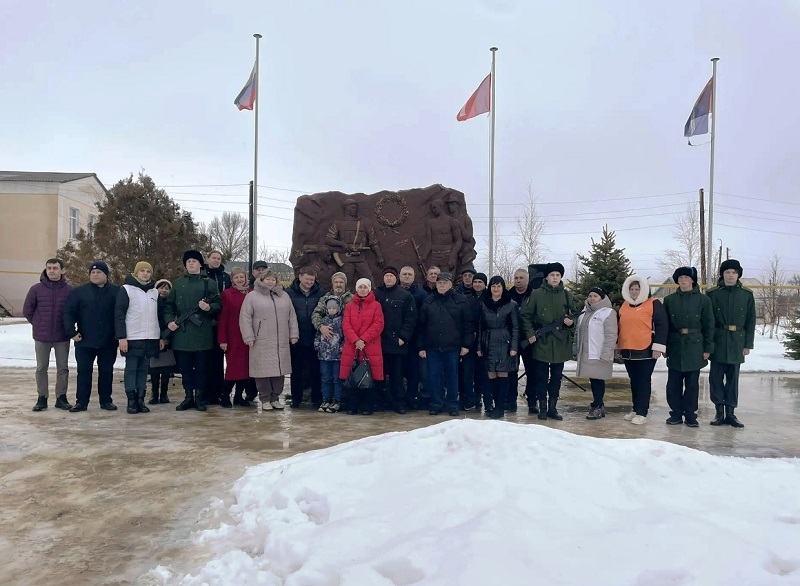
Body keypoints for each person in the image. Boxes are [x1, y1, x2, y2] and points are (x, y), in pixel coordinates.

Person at [164, 250, 221, 412]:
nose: (191, 263)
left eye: (194, 261)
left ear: (200, 264)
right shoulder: (178, 283)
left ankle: (199, 397)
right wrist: (169, 322)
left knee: (202, 368)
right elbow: (169, 306)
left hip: (202, 333)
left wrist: (208, 307)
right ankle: (188, 397)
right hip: (182, 333)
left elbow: (218, 304)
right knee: (185, 368)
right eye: (188, 261)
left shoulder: (208, 283)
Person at [520, 262, 576, 421]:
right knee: (541, 377)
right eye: (552, 275)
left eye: (558, 275)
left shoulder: (567, 295)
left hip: (560, 344)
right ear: (547, 277)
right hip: (542, 343)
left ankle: (553, 408)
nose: (555, 278)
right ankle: (542, 408)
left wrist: (570, 324)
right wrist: (530, 333)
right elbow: (526, 316)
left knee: (557, 377)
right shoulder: (537, 294)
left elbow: (572, 317)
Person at [63, 260, 120, 412]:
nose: (95, 275)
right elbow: (68, 312)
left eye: (99, 272)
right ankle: (81, 402)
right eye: (92, 272)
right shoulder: (79, 292)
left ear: (106, 275)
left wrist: (120, 335)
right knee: (84, 373)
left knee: (107, 372)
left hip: (108, 341)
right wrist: (71, 332)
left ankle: (106, 401)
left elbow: (121, 315)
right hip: (84, 341)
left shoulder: (116, 292)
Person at [706, 259, 756, 428]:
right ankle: (719, 412)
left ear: (738, 275)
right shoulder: (713, 294)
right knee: (716, 378)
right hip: (718, 340)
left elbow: (751, 321)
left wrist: (747, 344)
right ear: (722, 274)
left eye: (734, 272)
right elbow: (708, 321)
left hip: (737, 341)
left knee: (733, 379)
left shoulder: (746, 295)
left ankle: (731, 413)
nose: (730, 275)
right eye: (727, 272)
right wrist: (708, 344)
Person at [662, 266, 714, 427]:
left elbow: (709, 325)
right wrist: (665, 346)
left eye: (686, 277)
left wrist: (707, 348)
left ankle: (691, 415)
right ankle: (676, 413)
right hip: (676, 345)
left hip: (695, 345)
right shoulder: (670, 300)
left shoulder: (703, 300)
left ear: (692, 280)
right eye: (680, 277)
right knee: (673, 384)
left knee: (692, 384)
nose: (683, 280)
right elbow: (665, 325)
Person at [240, 269, 299, 409]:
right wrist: (248, 336)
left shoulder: (284, 296)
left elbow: (292, 316)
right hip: (261, 339)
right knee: (262, 370)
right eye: (268, 279)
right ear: (262, 280)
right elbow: (245, 317)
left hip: (281, 339)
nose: (271, 282)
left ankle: (275, 398)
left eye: (273, 279)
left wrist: (293, 334)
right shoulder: (252, 296)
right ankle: (265, 398)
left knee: (279, 369)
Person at [417, 272, 473, 416]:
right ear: (436, 284)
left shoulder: (461, 300)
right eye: (439, 283)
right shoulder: (428, 301)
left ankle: (452, 404)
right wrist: (421, 346)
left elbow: (468, 325)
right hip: (433, 346)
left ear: (450, 284)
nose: (442, 285)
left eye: (444, 282)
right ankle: (436, 403)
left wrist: (466, 345)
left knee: (452, 376)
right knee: (434, 376)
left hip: (452, 346)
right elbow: (421, 326)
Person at [23, 258, 74, 411]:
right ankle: (42, 398)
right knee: (41, 368)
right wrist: (38, 323)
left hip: (62, 336)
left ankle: (61, 397)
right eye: (49, 268)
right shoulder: (36, 289)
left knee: (63, 368)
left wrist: (68, 328)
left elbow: (73, 311)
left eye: (55, 268)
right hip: (42, 337)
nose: (52, 270)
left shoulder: (69, 290)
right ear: (46, 270)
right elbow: (28, 310)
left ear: (62, 270)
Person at [617, 274, 667, 425]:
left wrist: (658, 346)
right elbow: (619, 326)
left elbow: (662, 325)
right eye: (631, 289)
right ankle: (635, 408)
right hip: (628, 350)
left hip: (646, 349)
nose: (634, 292)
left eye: (637, 289)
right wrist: (617, 346)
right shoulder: (624, 305)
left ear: (643, 289)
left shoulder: (654, 303)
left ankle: (642, 412)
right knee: (634, 381)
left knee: (643, 381)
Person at [115, 261, 163, 414]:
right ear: (136, 273)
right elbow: (119, 314)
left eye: (148, 271)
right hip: (132, 337)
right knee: (131, 369)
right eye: (141, 271)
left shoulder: (155, 292)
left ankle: (141, 399)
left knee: (143, 369)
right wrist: (122, 337)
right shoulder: (127, 290)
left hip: (151, 337)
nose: (145, 274)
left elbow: (160, 316)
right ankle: (131, 400)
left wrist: (162, 337)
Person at [374, 266, 417, 414]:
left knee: (397, 376)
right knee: (378, 375)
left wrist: (403, 337)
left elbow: (410, 319)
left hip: (396, 343)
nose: (389, 278)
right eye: (386, 276)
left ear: (396, 278)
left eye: (391, 276)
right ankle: (379, 402)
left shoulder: (405, 295)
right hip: (378, 343)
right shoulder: (376, 294)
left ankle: (399, 402)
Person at [476, 276, 519, 419]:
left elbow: (515, 328)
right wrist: (479, 346)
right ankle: (494, 405)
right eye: (493, 286)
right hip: (488, 342)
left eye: (499, 286)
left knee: (503, 374)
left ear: (503, 288)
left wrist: (514, 346)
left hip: (504, 342)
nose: (496, 289)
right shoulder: (484, 303)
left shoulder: (511, 304)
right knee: (491, 375)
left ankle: (501, 407)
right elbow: (480, 326)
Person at [340, 278, 385, 415]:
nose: (362, 289)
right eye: (360, 287)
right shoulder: (349, 306)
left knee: (368, 377)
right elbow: (346, 325)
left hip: (369, 346)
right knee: (352, 376)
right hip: (353, 347)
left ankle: (367, 406)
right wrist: (355, 340)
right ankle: (352, 406)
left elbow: (378, 324)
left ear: (369, 289)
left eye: (365, 287)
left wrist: (363, 339)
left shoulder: (376, 305)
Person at [575, 287, 617, 420]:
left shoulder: (607, 312)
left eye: (595, 296)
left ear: (602, 298)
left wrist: (606, 353)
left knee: (598, 380)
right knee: (593, 379)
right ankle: (599, 404)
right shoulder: (584, 312)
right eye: (590, 296)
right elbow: (578, 333)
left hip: (599, 353)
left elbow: (611, 335)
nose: (592, 298)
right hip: (587, 353)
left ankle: (597, 407)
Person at [286, 266, 326, 408]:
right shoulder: (289, 293)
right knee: (296, 370)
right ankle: (296, 398)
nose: (309, 282)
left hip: (315, 338)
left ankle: (317, 398)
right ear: (300, 277)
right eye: (307, 279)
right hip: (296, 338)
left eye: (312, 279)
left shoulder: (320, 293)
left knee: (316, 370)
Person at [217, 267, 255, 408]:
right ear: (232, 279)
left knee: (246, 369)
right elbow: (223, 318)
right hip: (233, 337)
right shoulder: (227, 294)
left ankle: (239, 396)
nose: (240, 280)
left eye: (242, 277)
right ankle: (225, 395)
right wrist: (223, 339)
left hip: (248, 336)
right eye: (236, 277)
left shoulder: (251, 293)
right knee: (234, 369)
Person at [325, 198, 385, 285]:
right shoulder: (338, 223)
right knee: (345, 284)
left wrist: (379, 256)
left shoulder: (365, 222)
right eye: (352, 207)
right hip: (345, 259)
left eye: (355, 207)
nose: (355, 209)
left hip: (361, 258)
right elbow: (328, 239)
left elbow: (373, 241)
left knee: (369, 282)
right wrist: (342, 244)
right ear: (346, 208)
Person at [204, 250, 231, 406]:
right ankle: (206, 393)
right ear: (208, 259)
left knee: (219, 360)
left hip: (221, 321)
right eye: (213, 258)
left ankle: (219, 391)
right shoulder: (203, 276)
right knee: (206, 360)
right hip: (206, 322)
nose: (216, 260)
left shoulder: (225, 277)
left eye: (218, 258)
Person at [399, 265, 428, 410]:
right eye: (404, 274)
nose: (406, 276)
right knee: (397, 371)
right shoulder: (394, 292)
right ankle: (398, 399)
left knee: (414, 372)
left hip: (414, 340)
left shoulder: (421, 295)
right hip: (396, 340)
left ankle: (411, 398)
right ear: (399, 276)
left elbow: (425, 319)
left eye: (409, 274)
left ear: (414, 276)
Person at [454, 268, 480, 411]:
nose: (468, 278)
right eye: (465, 275)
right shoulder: (456, 293)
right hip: (459, 338)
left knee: (472, 372)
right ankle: (463, 398)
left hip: (476, 339)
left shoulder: (480, 295)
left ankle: (474, 398)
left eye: (471, 276)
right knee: (461, 372)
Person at [314, 297, 345, 413]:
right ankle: (326, 399)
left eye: (334, 308)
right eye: (330, 308)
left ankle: (337, 401)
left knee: (337, 379)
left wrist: (342, 347)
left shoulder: (341, 321)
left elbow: (344, 336)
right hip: (324, 355)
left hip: (337, 355)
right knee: (326, 378)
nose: (332, 310)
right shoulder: (323, 321)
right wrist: (318, 346)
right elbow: (318, 335)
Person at [148, 279, 176, 404]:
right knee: (154, 369)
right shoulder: (151, 303)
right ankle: (154, 394)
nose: (164, 290)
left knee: (166, 369)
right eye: (161, 288)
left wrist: (167, 338)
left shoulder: (172, 305)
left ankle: (164, 394)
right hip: (154, 338)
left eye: (166, 288)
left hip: (169, 339)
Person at [422, 200, 461, 273]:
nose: (433, 210)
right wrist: (424, 257)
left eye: (434, 208)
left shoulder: (452, 221)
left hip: (447, 255)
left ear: (441, 206)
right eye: (432, 209)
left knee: (446, 280)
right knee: (432, 278)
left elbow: (458, 240)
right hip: (434, 256)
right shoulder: (430, 223)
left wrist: (452, 257)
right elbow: (429, 242)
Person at [471, 273, 491, 411]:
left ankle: (488, 399)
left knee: (486, 372)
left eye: (480, 282)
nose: (477, 284)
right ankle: (476, 397)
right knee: (474, 372)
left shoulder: (489, 298)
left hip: (486, 339)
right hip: (471, 339)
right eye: (475, 281)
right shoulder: (467, 298)